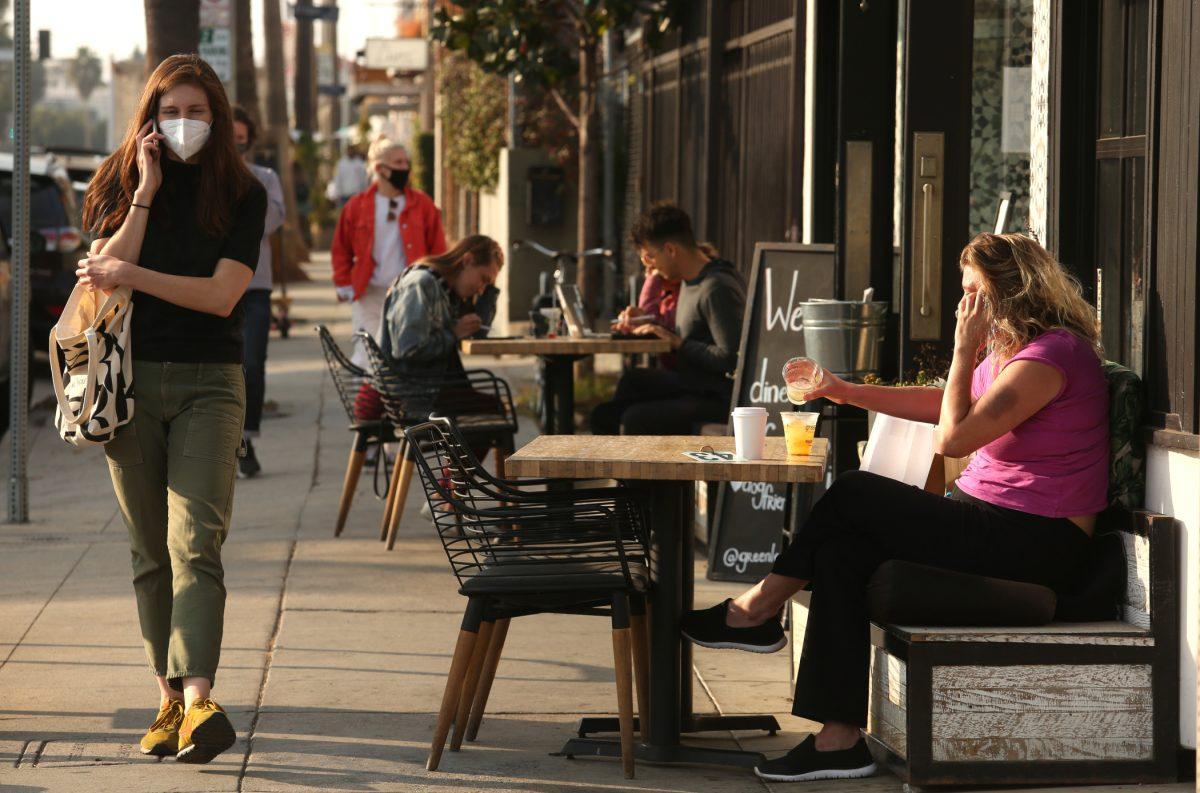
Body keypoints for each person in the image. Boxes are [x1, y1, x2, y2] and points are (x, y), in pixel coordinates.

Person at [681, 232, 1109, 783]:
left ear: (1006, 291)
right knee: (841, 551)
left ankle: (759, 609)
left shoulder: (1052, 356)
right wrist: (844, 390)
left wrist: (962, 349)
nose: (962, 307)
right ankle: (839, 741)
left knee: (856, 491)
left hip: (1041, 541)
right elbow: (941, 404)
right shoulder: (1013, 352)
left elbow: (953, 438)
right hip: (995, 522)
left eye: (971, 293)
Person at [78, 54, 267, 764]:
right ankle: (166, 700)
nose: (183, 124)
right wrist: (148, 190)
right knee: (148, 551)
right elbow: (104, 266)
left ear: (216, 119)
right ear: (149, 117)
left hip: (210, 382)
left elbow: (223, 296)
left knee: (196, 542)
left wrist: (132, 275)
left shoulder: (243, 194)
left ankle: (198, 701)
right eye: (171, 111)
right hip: (126, 383)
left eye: (196, 112)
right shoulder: (117, 180)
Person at [590, 203, 745, 435]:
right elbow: (696, 334)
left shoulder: (716, 288)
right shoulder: (689, 281)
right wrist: (650, 325)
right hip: (695, 384)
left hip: (718, 397)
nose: (650, 266)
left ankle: (635, 469)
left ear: (671, 250)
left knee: (633, 419)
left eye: (651, 257)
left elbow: (730, 358)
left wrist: (677, 343)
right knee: (618, 398)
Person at [332, 136, 447, 369]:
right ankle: (366, 405)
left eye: (406, 162)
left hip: (410, 295)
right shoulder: (356, 206)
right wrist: (344, 283)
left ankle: (393, 405)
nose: (405, 168)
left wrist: (438, 282)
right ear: (380, 169)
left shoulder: (422, 205)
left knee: (403, 357)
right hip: (369, 293)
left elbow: (437, 249)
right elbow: (341, 249)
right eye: (398, 162)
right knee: (368, 357)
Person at [232, 105, 285, 479]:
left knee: (252, 363)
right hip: (209, 290)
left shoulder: (264, 179)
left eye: (241, 139)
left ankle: (246, 439)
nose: (236, 145)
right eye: (228, 138)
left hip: (255, 286)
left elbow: (269, 222)